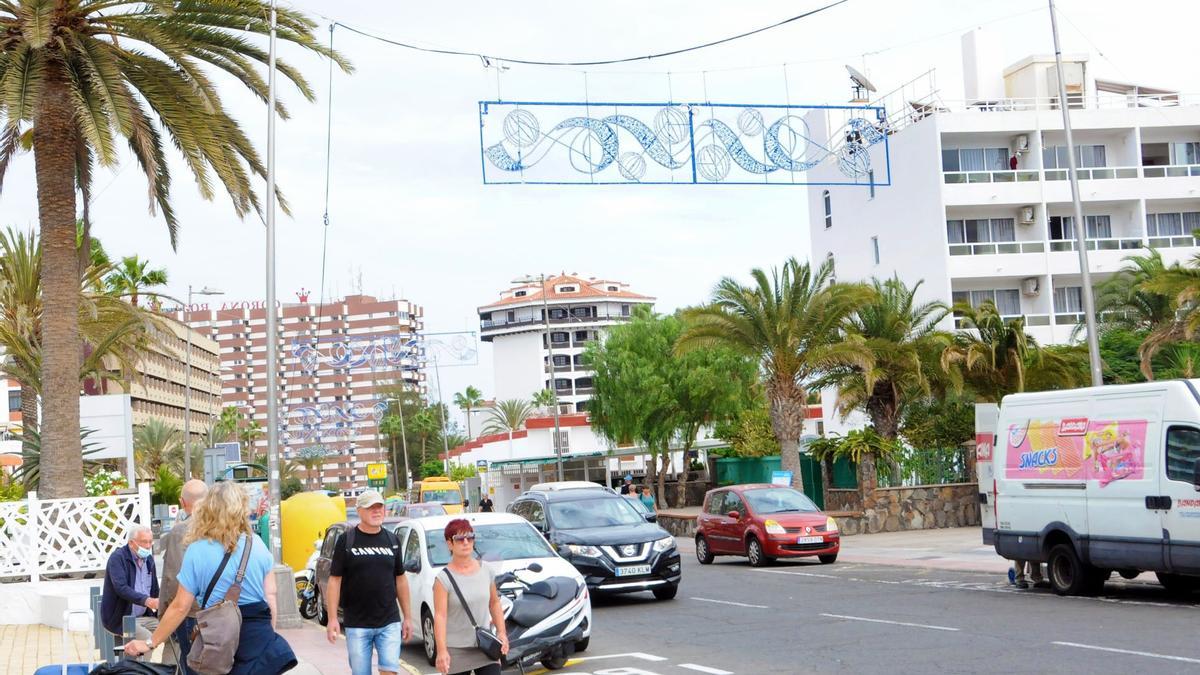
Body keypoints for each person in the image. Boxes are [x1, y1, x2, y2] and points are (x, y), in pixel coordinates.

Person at [123, 481, 296, 674]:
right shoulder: (257, 544)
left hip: (220, 636)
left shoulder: (197, 550)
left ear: (207, 509)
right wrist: (268, 636)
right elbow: (270, 595)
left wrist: (150, 643)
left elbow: (180, 606)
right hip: (258, 634)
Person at [325, 489, 414, 675]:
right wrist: (332, 618)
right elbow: (334, 581)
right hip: (357, 623)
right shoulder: (346, 541)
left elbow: (400, 579)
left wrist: (407, 617)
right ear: (359, 511)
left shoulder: (392, 540)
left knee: (390, 670)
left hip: (389, 621)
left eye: (379, 507)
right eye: (370, 507)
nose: (376, 511)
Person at [434, 519, 508, 675]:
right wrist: (441, 651)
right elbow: (440, 616)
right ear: (449, 544)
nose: (466, 542)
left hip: (485, 646)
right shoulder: (443, 579)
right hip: (456, 651)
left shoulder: (486, 570)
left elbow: (494, 603)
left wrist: (502, 632)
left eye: (470, 537)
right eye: (459, 539)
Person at [159, 479, 209, 672]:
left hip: (191, 612)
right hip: (222, 611)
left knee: (191, 665)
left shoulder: (181, 531)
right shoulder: (222, 527)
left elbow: (173, 578)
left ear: (182, 502)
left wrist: (165, 611)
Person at [101, 525, 160, 645]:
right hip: (122, 619)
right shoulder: (118, 558)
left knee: (172, 630)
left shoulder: (149, 560)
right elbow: (121, 588)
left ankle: (168, 659)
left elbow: (155, 590)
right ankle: (138, 658)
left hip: (145, 617)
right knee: (147, 639)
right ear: (131, 543)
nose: (148, 546)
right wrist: (146, 600)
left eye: (150, 542)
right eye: (144, 542)